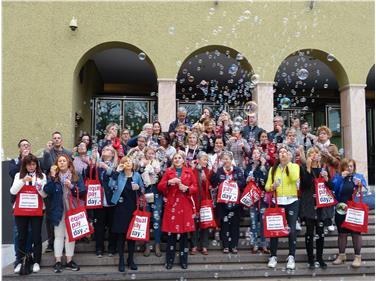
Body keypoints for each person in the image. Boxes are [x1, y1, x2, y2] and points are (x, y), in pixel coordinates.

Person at [43, 154, 86, 273]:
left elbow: (82, 191)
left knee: (70, 236)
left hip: (72, 209)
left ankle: (69, 260)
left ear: (68, 163)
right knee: (58, 235)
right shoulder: (53, 177)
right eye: (59, 161)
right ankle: (57, 261)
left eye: (64, 161)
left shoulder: (76, 176)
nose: (62, 163)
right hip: (58, 209)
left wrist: (71, 186)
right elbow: (47, 191)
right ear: (57, 164)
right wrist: (51, 177)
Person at [157, 151, 198, 270]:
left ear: (183, 160)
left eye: (179, 158)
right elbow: (160, 186)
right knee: (171, 236)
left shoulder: (189, 171)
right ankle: (169, 261)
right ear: (172, 160)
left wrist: (187, 188)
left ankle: (183, 261)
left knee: (184, 236)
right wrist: (169, 182)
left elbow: (195, 187)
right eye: (175, 158)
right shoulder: (168, 172)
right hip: (172, 206)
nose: (177, 159)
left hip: (185, 206)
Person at [265, 145, 300, 270]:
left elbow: (295, 178)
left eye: (285, 152)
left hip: (292, 200)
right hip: (278, 201)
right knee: (275, 229)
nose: (283, 154)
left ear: (289, 155)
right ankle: (273, 255)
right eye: (281, 152)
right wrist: (273, 186)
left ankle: (291, 256)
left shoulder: (294, 166)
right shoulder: (273, 169)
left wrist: (288, 164)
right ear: (278, 156)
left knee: (291, 229)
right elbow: (267, 187)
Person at [11, 154, 47, 274]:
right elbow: (13, 191)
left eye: (33, 164)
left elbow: (45, 195)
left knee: (36, 236)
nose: (31, 167)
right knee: (21, 236)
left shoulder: (42, 176)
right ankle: (20, 261)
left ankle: (37, 261)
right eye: (29, 164)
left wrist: (39, 187)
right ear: (25, 165)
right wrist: (23, 181)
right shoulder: (18, 175)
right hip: (21, 210)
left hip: (36, 210)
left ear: (36, 165)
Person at [299, 147, 333, 269]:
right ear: (308, 156)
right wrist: (308, 168)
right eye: (311, 153)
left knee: (320, 233)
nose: (314, 155)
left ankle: (320, 258)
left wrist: (327, 179)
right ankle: (310, 259)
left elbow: (331, 186)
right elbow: (305, 185)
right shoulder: (303, 168)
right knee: (309, 232)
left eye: (316, 153)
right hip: (308, 204)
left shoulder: (323, 169)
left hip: (320, 205)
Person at [110, 156, 144, 272]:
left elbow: (143, 191)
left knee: (131, 236)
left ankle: (130, 259)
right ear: (122, 164)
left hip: (133, 209)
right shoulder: (119, 175)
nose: (128, 163)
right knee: (121, 236)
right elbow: (110, 185)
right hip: (120, 208)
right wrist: (117, 171)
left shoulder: (137, 175)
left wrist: (138, 188)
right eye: (125, 162)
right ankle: (121, 260)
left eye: (129, 161)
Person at [42, 131, 72, 253]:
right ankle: (51, 242)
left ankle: (65, 242)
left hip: (65, 188)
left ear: (62, 140)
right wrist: (47, 152)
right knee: (50, 215)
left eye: (59, 138)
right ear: (52, 140)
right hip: (53, 186)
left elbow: (72, 168)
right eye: (54, 138)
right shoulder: (48, 152)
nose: (57, 140)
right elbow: (45, 166)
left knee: (66, 215)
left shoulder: (68, 153)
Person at [331, 159, 365, 268]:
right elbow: (333, 188)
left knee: (355, 233)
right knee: (342, 233)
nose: (349, 168)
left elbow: (365, 188)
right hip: (341, 208)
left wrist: (360, 184)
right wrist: (341, 177)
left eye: (351, 166)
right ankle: (341, 255)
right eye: (346, 166)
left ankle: (357, 257)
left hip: (354, 209)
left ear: (354, 167)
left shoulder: (358, 176)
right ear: (342, 168)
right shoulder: (338, 177)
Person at [210, 151, 246, 254]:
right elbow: (213, 182)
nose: (226, 161)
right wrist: (215, 172)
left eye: (228, 158)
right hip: (222, 203)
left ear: (231, 160)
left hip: (235, 203)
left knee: (235, 225)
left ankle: (234, 246)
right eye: (224, 159)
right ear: (221, 161)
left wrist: (232, 183)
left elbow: (243, 183)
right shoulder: (219, 171)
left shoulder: (237, 170)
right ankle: (225, 246)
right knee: (224, 224)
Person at [9, 139, 33, 266]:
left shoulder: (34, 162)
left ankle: (28, 256)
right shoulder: (15, 161)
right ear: (19, 148)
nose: (26, 147)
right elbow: (12, 173)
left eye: (28, 145)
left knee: (30, 231)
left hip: (32, 202)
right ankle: (18, 258)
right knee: (18, 231)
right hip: (18, 201)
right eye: (23, 145)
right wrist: (23, 160)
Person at [91, 145, 118, 258]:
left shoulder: (117, 166)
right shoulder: (97, 165)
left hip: (112, 200)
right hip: (99, 200)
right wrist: (93, 162)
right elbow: (89, 176)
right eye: (104, 149)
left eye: (108, 150)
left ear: (112, 154)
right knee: (99, 226)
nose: (105, 151)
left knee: (112, 226)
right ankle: (99, 249)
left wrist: (107, 168)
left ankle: (112, 248)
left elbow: (117, 177)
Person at [138, 146, 163, 257]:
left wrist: (159, 173)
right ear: (145, 154)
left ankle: (157, 245)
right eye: (148, 153)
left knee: (157, 220)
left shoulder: (158, 165)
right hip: (145, 193)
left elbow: (163, 181)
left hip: (157, 193)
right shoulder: (141, 165)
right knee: (146, 219)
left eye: (153, 153)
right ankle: (146, 244)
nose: (150, 155)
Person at [244, 148, 269, 254]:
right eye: (253, 153)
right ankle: (254, 244)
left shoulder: (265, 167)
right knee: (253, 221)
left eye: (258, 153)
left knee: (263, 222)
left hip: (263, 198)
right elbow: (246, 180)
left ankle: (264, 244)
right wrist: (248, 179)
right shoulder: (249, 167)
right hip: (253, 197)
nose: (255, 155)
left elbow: (266, 179)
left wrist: (263, 165)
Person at [315, 125, 340, 232]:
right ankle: (321, 219)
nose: (322, 135)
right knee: (320, 196)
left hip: (329, 175)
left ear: (328, 135)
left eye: (324, 133)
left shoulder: (333, 147)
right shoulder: (315, 146)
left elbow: (338, 162)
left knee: (329, 196)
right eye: (320, 133)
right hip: (318, 174)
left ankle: (329, 221)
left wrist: (329, 155)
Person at [191, 152, 212, 255]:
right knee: (194, 224)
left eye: (207, 160)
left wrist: (205, 180)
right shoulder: (192, 170)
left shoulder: (208, 171)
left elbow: (210, 187)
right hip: (194, 201)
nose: (206, 161)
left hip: (205, 201)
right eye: (204, 159)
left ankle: (204, 246)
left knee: (205, 223)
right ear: (198, 160)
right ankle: (194, 245)